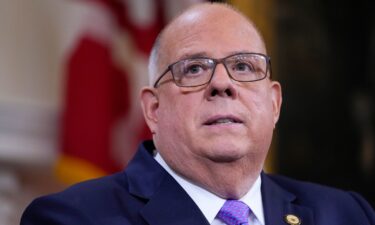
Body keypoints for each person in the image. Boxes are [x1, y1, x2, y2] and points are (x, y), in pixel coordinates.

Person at [20, 3, 374, 225]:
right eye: (194, 69)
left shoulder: (347, 214)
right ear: (153, 109)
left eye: (244, 66)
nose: (222, 83)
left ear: (274, 103)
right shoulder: (72, 219)